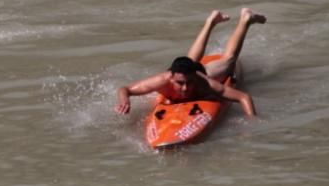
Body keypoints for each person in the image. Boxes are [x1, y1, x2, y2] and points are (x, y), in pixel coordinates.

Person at [114, 8, 266, 117]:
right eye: (180, 83)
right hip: (187, 71)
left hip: (203, 72)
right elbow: (125, 89)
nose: (186, 88)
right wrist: (124, 101)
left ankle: (246, 19)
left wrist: (252, 121)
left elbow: (243, 97)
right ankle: (211, 21)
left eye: (189, 83)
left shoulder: (203, 82)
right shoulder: (160, 82)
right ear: (171, 78)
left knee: (229, 61)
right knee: (189, 61)